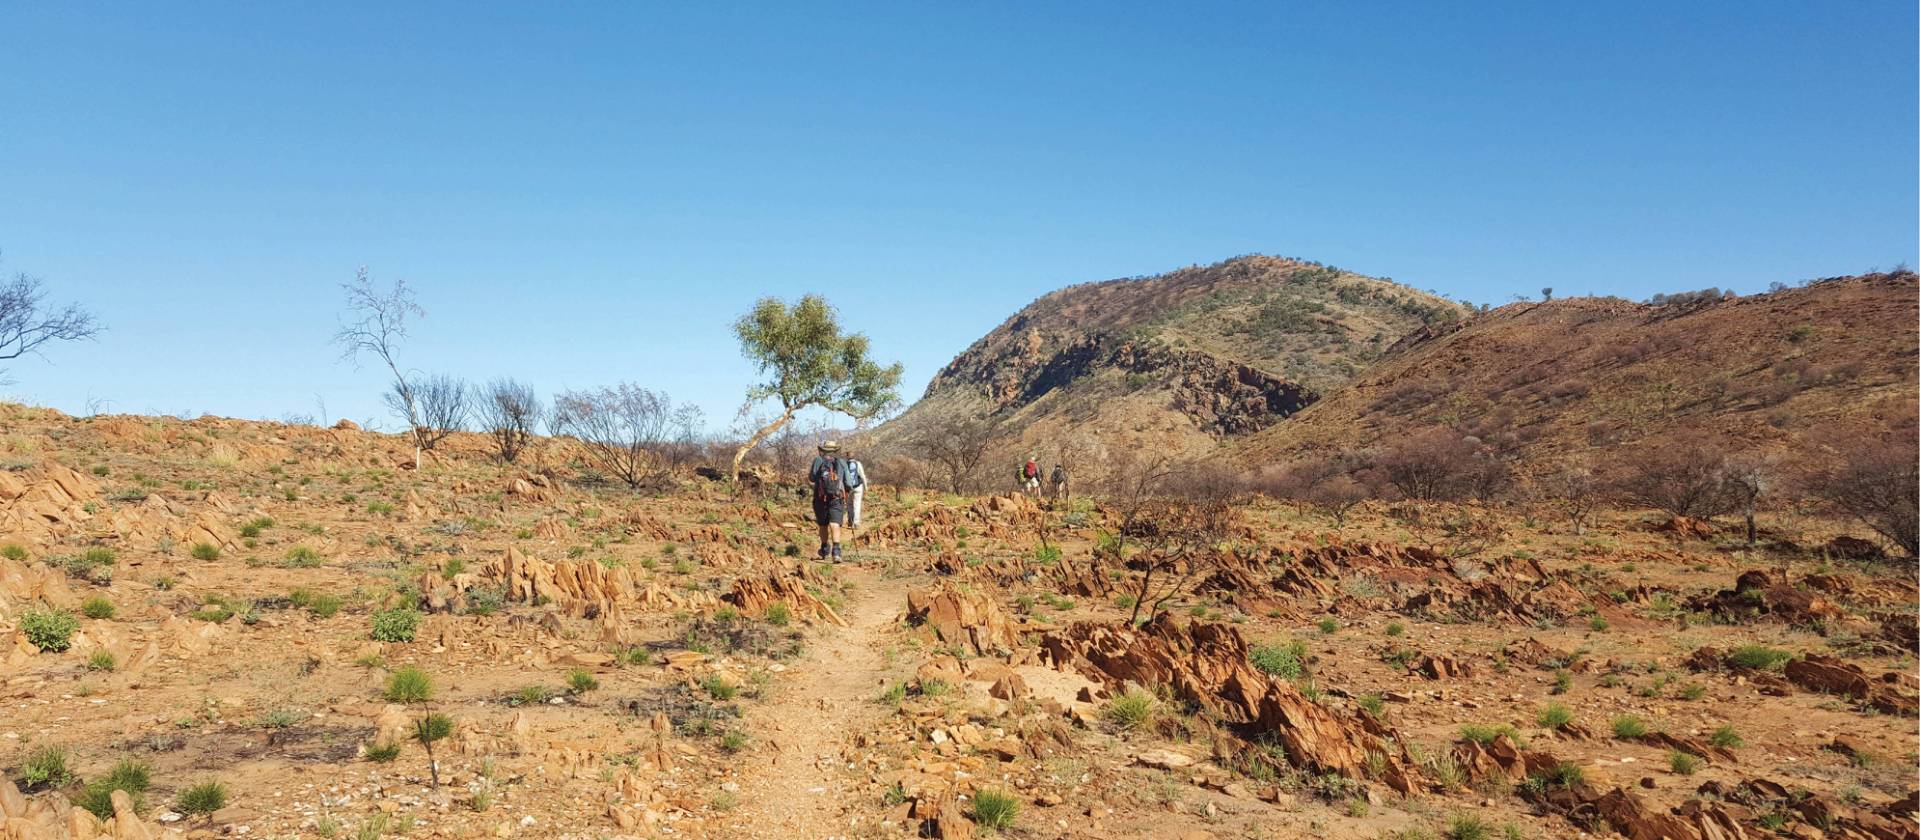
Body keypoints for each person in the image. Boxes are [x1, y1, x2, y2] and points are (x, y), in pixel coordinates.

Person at [808, 441, 849, 561]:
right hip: (837, 498)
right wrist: (845, 492)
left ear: (823, 449)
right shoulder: (841, 462)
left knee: (823, 525)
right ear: (836, 450)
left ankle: (824, 550)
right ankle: (836, 552)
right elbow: (848, 483)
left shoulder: (818, 460)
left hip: (820, 498)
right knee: (835, 523)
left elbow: (812, 478)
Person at [841, 449, 867, 534]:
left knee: (849, 505)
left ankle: (850, 521)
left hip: (848, 488)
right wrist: (866, 487)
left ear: (847, 457)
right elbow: (862, 475)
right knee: (857, 504)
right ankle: (856, 523)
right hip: (858, 487)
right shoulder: (858, 464)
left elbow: (842, 477)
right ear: (854, 456)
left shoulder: (844, 464)